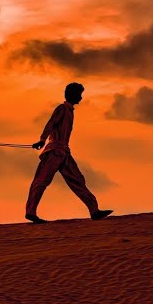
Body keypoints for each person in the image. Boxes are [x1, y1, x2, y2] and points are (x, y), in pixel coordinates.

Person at [25, 82, 113, 224]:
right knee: (41, 181)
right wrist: (42, 140)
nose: (81, 97)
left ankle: (94, 210)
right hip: (54, 151)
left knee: (77, 180)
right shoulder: (62, 108)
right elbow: (51, 123)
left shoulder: (69, 110)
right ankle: (30, 212)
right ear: (73, 94)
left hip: (63, 152)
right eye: (79, 94)